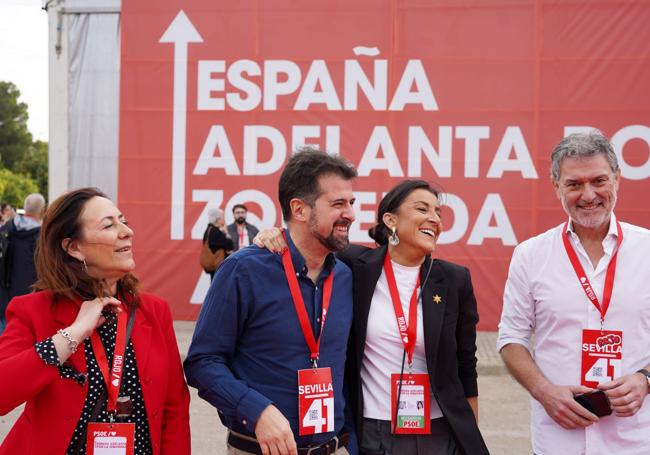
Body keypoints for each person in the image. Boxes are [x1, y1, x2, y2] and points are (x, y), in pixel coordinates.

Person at [255, 180, 489, 455]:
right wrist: (275, 236)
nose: (434, 219)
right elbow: (305, 244)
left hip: (439, 430)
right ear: (390, 220)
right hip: (374, 432)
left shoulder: (454, 279)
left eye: (438, 212)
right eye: (422, 209)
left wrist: (468, 431)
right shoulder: (355, 265)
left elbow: (466, 364)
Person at [184, 149, 357, 455]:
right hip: (258, 449)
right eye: (338, 204)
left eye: (351, 203)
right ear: (299, 209)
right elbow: (202, 363)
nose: (351, 214)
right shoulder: (244, 270)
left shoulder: (345, 275)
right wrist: (256, 410)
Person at [0, 187, 191, 454]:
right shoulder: (33, 310)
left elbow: (175, 409)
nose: (127, 231)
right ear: (73, 247)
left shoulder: (155, 311)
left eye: (123, 221)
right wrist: (74, 333)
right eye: (109, 225)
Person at [497, 130, 650, 454]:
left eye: (599, 180)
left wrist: (645, 380)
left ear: (617, 179)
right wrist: (544, 391)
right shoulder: (531, 254)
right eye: (574, 184)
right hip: (558, 439)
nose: (589, 194)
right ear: (556, 186)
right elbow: (511, 339)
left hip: (636, 439)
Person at [0, 193, 46, 335]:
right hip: (30, 298)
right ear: (42, 210)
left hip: (3, 298)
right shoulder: (43, 237)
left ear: (25, 209)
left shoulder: (5, 229)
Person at [202, 208, 234, 281]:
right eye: (223, 218)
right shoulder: (215, 231)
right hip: (218, 265)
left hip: (215, 265)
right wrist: (226, 233)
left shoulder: (209, 230)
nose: (224, 220)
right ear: (218, 219)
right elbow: (230, 245)